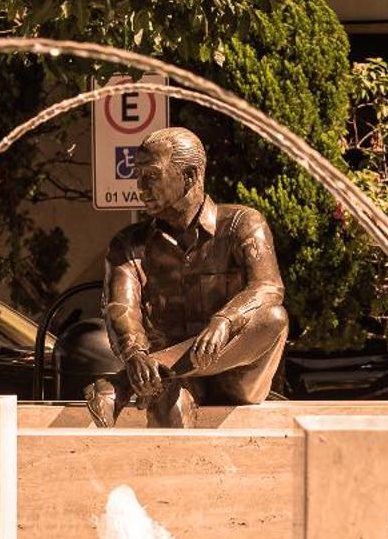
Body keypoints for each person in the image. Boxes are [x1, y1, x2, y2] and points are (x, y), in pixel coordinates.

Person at [87, 127, 288, 427]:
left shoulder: (242, 224)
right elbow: (120, 309)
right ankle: (156, 374)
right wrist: (135, 356)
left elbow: (268, 287)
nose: (140, 186)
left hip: (237, 374)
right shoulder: (128, 244)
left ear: (191, 176)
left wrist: (225, 320)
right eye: (138, 175)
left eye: (151, 175)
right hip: (165, 383)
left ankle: (124, 385)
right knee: (169, 406)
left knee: (273, 318)